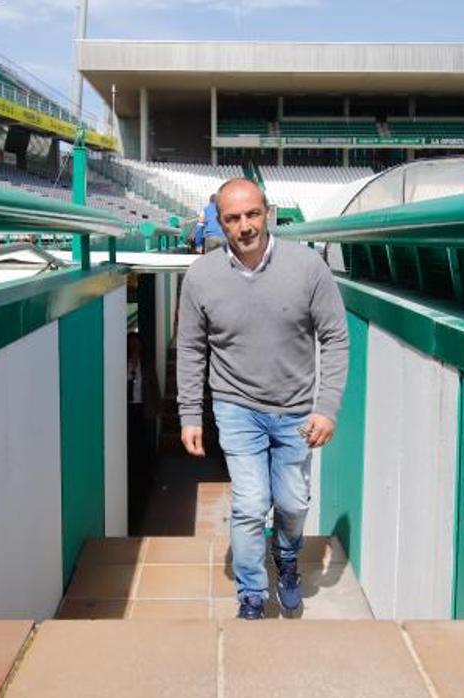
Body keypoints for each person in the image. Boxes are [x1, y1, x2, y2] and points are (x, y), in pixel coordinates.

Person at [175, 177, 349, 620]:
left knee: (292, 503)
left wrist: (326, 407)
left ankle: (286, 558)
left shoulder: (308, 267)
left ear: (268, 212)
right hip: (236, 407)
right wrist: (190, 413)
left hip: (294, 408)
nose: (245, 226)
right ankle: (252, 592)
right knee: (250, 503)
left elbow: (335, 336)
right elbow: (192, 348)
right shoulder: (200, 277)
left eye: (252, 214)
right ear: (219, 222)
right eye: (232, 218)